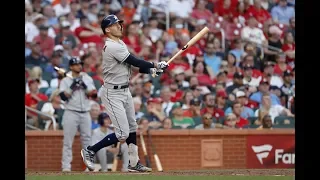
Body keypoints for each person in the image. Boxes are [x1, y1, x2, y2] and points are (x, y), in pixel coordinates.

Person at [81, 14, 169, 172]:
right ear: (107, 29)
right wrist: (155, 64)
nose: (120, 26)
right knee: (122, 133)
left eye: (119, 24)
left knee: (132, 127)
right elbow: (135, 61)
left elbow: (133, 66)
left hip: (124, 89)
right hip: (112, 92)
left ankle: (134, 163)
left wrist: (152, 69)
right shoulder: (112, 46)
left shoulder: (120, 43)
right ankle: (91, 150)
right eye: (115, 25)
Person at [59, 57, 97, 172]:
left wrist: (84, 86)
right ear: (71, 67)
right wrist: (73, 86)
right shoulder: (65, 80)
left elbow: (94, 94)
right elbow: (63, 97)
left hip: (85, 112)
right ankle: (66, 166)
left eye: (80, 64)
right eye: (76, 64)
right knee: (68, 141)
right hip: (71, 112)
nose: (79, 66)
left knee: (87, 140)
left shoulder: (87, 78)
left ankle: (88, 166)